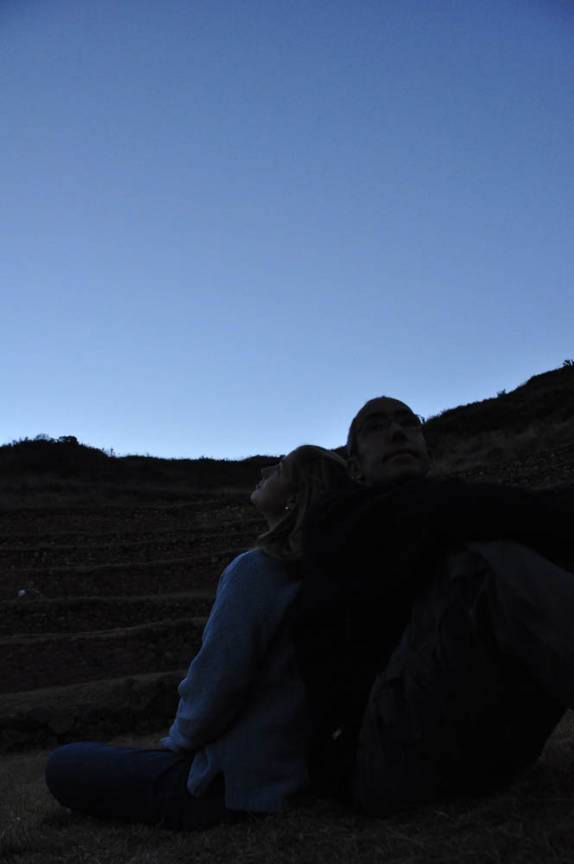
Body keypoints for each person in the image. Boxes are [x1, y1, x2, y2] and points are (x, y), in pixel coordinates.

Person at [292, 396, 574, 815]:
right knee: (480, 565)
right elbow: (449, 505)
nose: (397, 431)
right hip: (380, 762)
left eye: (409, 422)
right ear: (354, 467)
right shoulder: (334, 520)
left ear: (428, 452)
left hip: (487, 745)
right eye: (377, 426)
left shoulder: (438, 518)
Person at [45, 445, 351, 831]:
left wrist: (179, 740)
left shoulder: (257, 571)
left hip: (234, 786)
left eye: (281, 468)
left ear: (295, 497)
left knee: (65, 763)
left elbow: (219, 681)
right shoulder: (333, 577)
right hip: (302, 773)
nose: (265, 467)